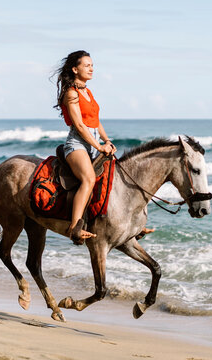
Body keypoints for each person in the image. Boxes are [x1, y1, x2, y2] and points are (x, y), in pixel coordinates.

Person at [54, 50, 153, 245]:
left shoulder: (87, 92)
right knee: (88, 179)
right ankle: (75, 227)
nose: (91, 68)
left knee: (117, 180)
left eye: (92, 65)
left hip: (94, 141)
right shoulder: (71, 93)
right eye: (87, 65)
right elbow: (80, 126)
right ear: (75, 69)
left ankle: (132, 226)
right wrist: (99, 147)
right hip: (77, 144)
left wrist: (107, 141)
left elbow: (95, 121)